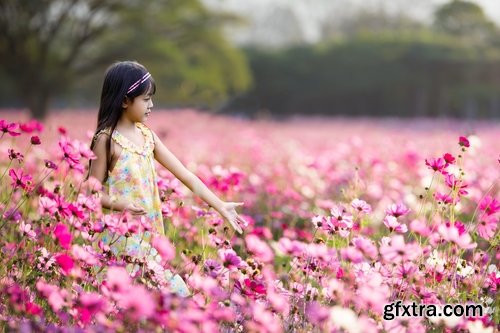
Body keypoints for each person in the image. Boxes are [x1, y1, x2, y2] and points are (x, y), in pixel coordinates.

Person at [87, 61, 246, 296]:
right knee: (161, 296)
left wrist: (220, 205)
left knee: (158, 299)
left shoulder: (147, 136)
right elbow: (91, 191)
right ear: (124, 101)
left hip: (148, 236)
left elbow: (186, 175)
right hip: (118, 239)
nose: (151, 105)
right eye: (146, 99)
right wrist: (121, 205)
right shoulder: (106, 140)